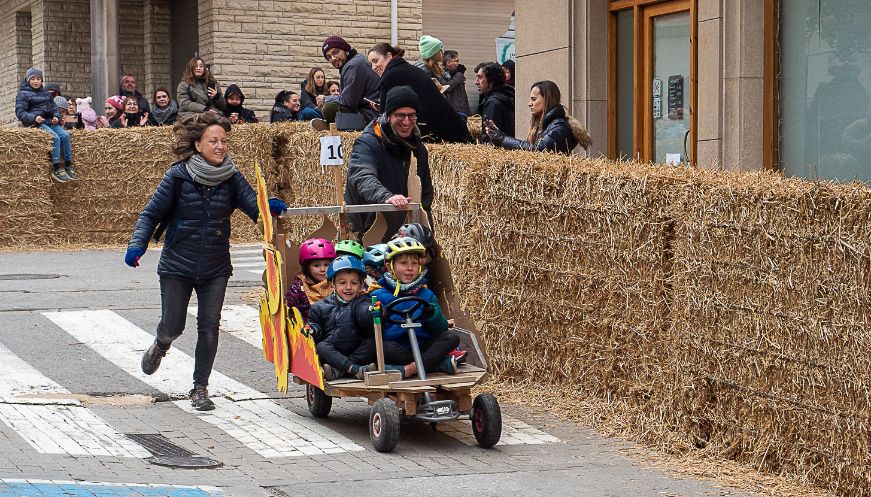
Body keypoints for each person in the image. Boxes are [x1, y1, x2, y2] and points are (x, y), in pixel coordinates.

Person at [125, 112, 287, 412]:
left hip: (215, 266)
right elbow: (150, 214)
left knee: (209, 327)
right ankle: (161, 344)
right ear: (198, 145)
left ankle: (200, 388)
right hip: (177, 264)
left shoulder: (232, 177)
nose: (221, 146)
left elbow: (254, 207)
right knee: (173, 325)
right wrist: (138, 245)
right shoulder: (177, 176)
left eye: (224, 141)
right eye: (213, 140)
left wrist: (268, 207)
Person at [344, 85, 435, 240]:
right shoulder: (367, 143)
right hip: (368, 232)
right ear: (388, 115)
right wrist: (386, 197)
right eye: (400, 115)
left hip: (404, 235)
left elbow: (425, 197)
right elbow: (362, 176)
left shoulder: (418, 149)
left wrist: (427, 233)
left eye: (412, 116)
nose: (406, 122)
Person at [371, 237, 459, 379]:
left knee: (451, 337)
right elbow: (369, 328)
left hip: (423, 346)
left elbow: (440, 328)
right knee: (382, 348)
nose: (410, 268)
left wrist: (432, 315)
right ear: (389, 266)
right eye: (403, 263)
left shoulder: (427, 294)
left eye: (414, 263)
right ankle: (435, 364)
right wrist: (380, 315)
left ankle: (410, 369)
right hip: (399, 349)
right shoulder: (378, 295)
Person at [368, 43, 472, 143]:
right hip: (451, 128)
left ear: (389, 56)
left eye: (375, 61)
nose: (373, 67)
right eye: (371, 63)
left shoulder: (390, 75)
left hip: (442, 134)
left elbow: (384, 118)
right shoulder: (404, 69)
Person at [309, 255, 377, 381]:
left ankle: (340, 370)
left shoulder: (362, 302)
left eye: (354, 283)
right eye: (342, 283)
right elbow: (314, 323)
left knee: (374, 342)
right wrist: (313, 329)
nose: (348, 287)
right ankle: (356, 370)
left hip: (356, 349)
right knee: (321, 347)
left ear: (362, 285)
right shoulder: (320, 306)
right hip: (334, 350)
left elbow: (365, 312)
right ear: (332, 284)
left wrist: (372, 311)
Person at [486, 80, 592, 155]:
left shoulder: (559, 126)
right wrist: (499, 138)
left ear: (547, 100)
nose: (529, 103)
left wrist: (503, 139)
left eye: (533, 99)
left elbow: (539, 150)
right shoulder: (544, 124)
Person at [15, 67, 76, 183]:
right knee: (55, 137)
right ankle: (56, 168)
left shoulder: (46, 95)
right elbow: (20, 113)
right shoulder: (22, 94)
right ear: (28, 80)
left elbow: (55, 109)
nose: (35, 81)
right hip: (34, 124)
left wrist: (56, 117)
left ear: (41, 80)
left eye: (38, 79)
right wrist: (34, 118)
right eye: (32, 79)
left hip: (48, 121)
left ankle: (68, 165)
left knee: (65, 135)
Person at [317, 35, 380, 128]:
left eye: (335, 53)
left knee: (329, 109)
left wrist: (325, 99)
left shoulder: (354, 65)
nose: (333, 58)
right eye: (329, 57)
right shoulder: (352, 63)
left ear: (345, 50)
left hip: (371, 116)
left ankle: (334, 126)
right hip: (366, 111)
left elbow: (348, 101)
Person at [286, 238, 336, 321]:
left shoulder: (336, 283)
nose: (322, 269)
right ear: (307, 267)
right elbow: (290, 310)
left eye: (327, 265)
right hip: (308, 330)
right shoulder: (299, 287)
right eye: (316, 265)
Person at [475, 62, 515, 144]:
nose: (476, 82)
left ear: (492, 81)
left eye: (480, 77)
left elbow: (489, 138)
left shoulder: (493, 103)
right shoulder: (506, 95)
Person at [441, 50, 471, 116]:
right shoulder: (441, 74)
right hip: (451, 113)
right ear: (448, 62)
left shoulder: (456, 74)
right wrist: (460, 74)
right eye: (456, 61)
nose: (458, 64)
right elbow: (448, 88)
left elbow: (463, 96)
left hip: (463, 112)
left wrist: (468, 113)